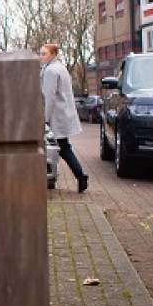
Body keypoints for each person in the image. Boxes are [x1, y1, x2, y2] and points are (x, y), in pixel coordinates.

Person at [39, 43, 88, 193]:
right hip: (62, 114)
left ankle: (79, 176)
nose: (41, 57)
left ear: (53, 54)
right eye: (40, 53)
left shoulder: (51, 71)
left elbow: (48, 96)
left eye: (44, 54)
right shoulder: (59, 68)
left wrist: (44, 119)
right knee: (62, 147)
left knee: (60, 148)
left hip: (56, 116)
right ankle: (77, 176)